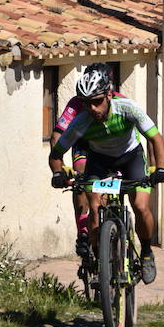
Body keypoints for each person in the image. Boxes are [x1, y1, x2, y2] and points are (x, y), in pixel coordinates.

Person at [48, 68, 164, 284]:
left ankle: (148, 252)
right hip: (100, 161)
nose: (92, 108)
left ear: (109, 95)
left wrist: (159, 168)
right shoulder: (80, 121)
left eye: (97, 101)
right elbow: (56, 152)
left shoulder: (128, 108)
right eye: (86, 104)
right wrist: (58, 172)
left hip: (131, 157)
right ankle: (99, 259)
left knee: (140, 206)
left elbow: (156, 139)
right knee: (94, 206)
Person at [49, 63, 125, 258]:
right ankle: (83, 232)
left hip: (111, 147)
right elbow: (58, 134)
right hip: (85, 144)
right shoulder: (76, 103)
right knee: (81, 179)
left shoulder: (120, 101)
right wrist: (59, 169)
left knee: (109, 187)